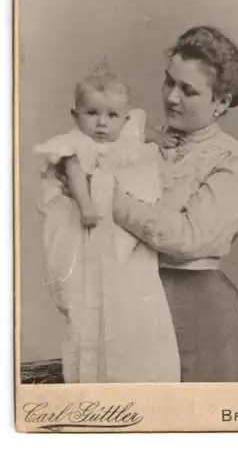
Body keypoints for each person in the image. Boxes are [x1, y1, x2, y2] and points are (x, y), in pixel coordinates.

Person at [112, 26, 238, 382]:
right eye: (169, 82)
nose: (172, 98)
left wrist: (108, 199)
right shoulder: (141, 145)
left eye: (189, 90)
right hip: (134, 305)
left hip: (200, 313)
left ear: (221, 102)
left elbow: (188, 239)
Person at [34, 61, 180, 383]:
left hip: (119, 235)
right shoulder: (76, 145)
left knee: (129, 295)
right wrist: (86, 205)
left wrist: (158, 136)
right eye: (92, 113)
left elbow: (140, 131)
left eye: (111, 116)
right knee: (87, 292)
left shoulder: (125, 143)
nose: (102, 123)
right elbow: (73, 173)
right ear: (76, 116)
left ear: (123, 119)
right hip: (90, 224)